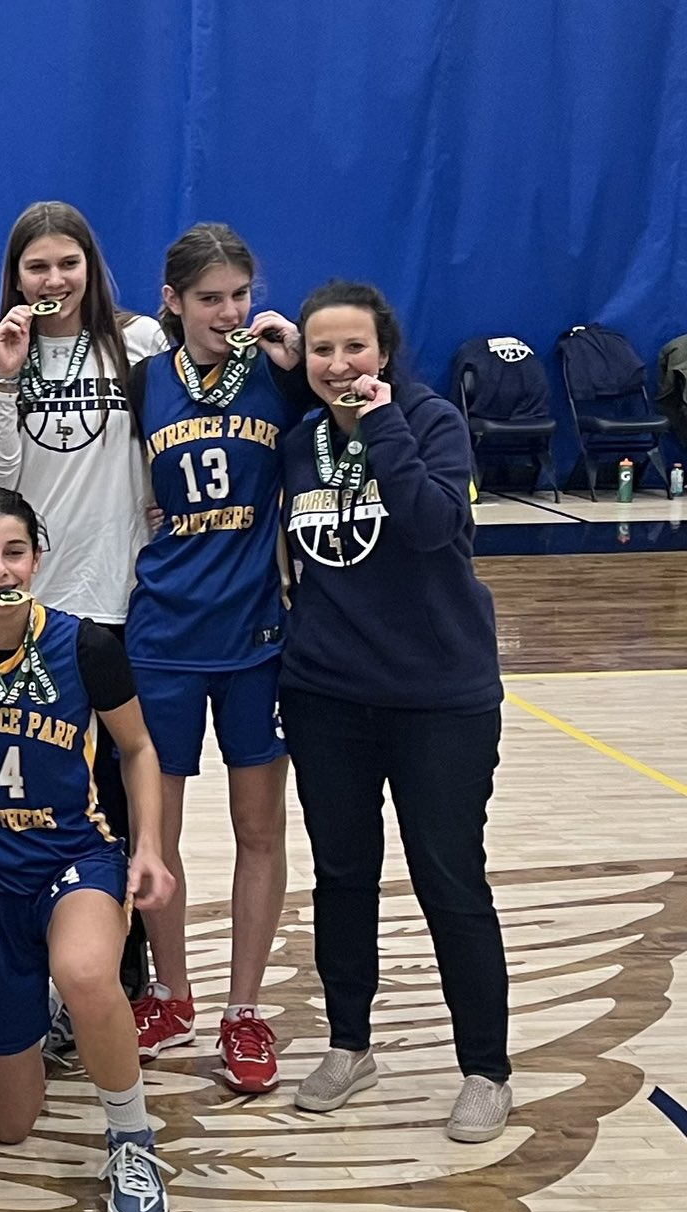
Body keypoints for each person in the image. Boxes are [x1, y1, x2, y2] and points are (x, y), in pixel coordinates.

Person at [278, 281, 511, 1140]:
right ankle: (349, 1043)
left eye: (356, 349)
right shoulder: (299, 444)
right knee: (342, 875)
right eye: (323, 352)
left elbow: (429, 525)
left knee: (449, 879)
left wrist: (381, 426)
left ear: (386, 351)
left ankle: (486, 1067)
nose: (340, 367)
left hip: (438, 699)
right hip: (328, 697)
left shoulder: (431, 421)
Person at [0, 488, 176, 1212]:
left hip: (72, 858)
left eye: (15, 552)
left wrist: (149, 849)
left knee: (90, 968)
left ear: (38, 555)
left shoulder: (87, 644)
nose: (1, 570)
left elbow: (139, 748)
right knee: (9, 1124)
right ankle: (51, 1016)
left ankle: (131, 1137)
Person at [0, 201, 169, 1010]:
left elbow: (162, 449)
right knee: (42, 793)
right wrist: (9, 377)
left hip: (120, 599)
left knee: (118, 795)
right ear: (15, 277)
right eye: (36, 267)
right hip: (32, 608)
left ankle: (121, 974)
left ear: (91, 265)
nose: (53, 281)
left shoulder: (141, 344)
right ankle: (31, 976)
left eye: (67, 264)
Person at [125, 224, 307, 1091]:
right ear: (173, 302)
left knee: (258, 830)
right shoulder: (141, 384)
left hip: (254, 641)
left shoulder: (278, 374)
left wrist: (304, 362)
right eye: (210, 298)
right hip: (161, 636)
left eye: (239, 294)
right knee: (152, 833)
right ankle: (172, 990)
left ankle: (243, 1009)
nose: (229, 312)